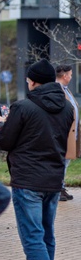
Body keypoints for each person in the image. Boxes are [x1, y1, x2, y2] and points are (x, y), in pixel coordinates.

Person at [0, 58, 74, 260]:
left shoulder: (23, 107)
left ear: (33, 82)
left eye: (28, 80)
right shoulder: (67, 108)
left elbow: (5, 141)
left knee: (32, 238)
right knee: (46, 236)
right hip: (53, 179)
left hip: (28, 180)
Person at [55, 64, 78, 201]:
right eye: (70, 74)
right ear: (65, 76)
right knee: (60, 162)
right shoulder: (57, 91)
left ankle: (61, 187)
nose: (71, 76)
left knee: (65, 162)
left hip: (70, 133)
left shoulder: (66, 90)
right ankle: (57, 189)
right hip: (63, 134)